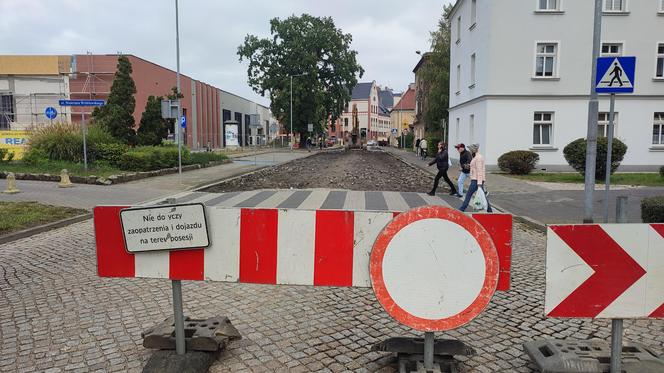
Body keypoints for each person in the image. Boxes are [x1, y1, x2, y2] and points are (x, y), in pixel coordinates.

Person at [459, 143, 492, 213]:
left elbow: (480, 171)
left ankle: (461, 209)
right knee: (483, 195)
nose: (470, 151)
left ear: (473, 150)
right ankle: (490, 211)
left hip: (476, 180)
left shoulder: (478, 158)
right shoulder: (476, 157)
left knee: (468, 194)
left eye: (470, 150)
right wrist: (468, 166)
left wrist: (479, 183)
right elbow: (474, 167)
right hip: (476, 179)